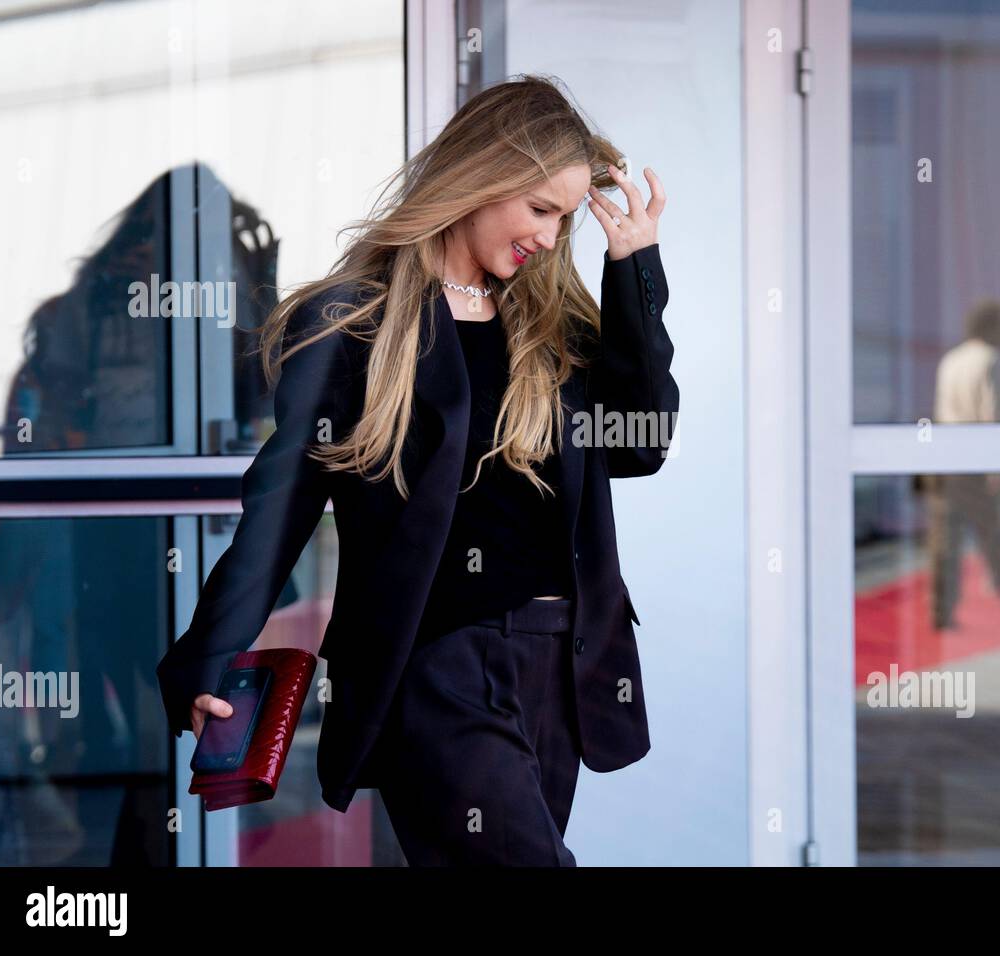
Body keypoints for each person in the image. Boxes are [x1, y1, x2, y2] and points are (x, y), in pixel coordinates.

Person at [155, 75, 679, 866]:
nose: (550, 234)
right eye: (540, 207)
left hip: (556, 662)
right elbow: (282, 508)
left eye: (565, 217)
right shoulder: (354, 322)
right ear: (485, 175)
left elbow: (640, 445)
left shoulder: (550, 323)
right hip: (437, 666)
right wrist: (205, 654)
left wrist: (636, 269)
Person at [925, 298, 1000, 629]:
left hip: (945, 462)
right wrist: (996, 470)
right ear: (992, 327)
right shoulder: (989, 361)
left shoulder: (950, 361)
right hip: (974, 465)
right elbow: (992, 417)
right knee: (992, 538)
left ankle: (941, 611)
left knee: (945, 543)